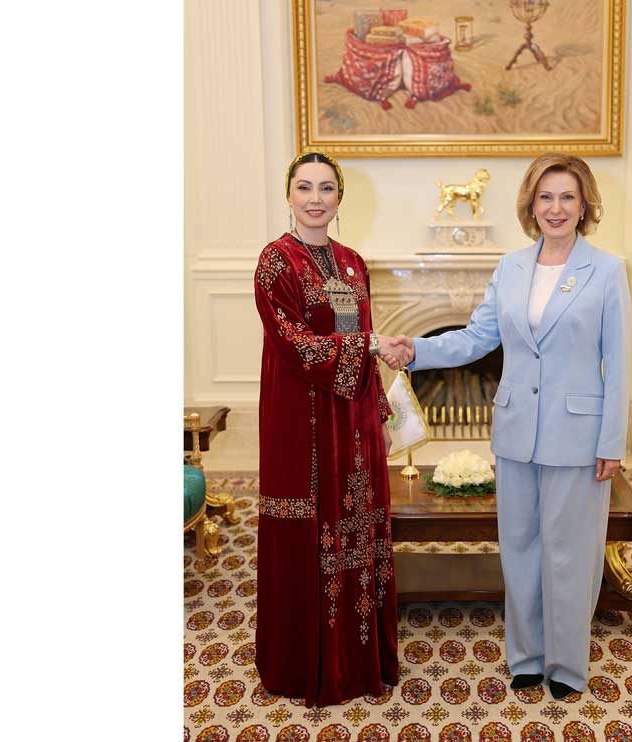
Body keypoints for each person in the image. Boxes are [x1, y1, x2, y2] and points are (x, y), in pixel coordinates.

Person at [385, 153, 630, 699]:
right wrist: (416, 350)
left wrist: (612, 439)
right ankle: (527, 656)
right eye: (546, 197)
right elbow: (477, 338)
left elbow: (618, 362)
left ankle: (566, 665)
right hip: (517, 431)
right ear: (531, 204)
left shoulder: (607, 271)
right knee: (519, 548)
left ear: (585, 204)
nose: (556, 208)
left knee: (571, 554)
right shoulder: (511, 267)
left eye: (567, 197)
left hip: (578, 436)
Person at [252, 151, 404, 706]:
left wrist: (379, 413)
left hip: (352, 421)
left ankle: (359, 660)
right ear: (288, 195)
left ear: (340, 198)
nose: (315, 198)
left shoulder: (352, 263)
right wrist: (368, 346)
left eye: (326, 188)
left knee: (357, 526)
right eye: (304, 187)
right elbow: (294, 345)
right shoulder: (276, 262)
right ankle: (305, 665)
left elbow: (363, 336)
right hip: (300, 419)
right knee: (308, 529)